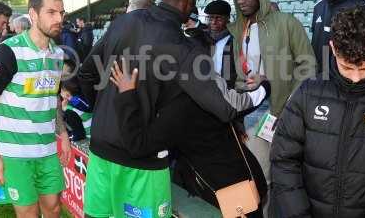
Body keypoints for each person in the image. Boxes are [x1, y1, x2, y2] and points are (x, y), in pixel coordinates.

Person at [78, 0, 271, 218]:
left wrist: (107, 114)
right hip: (143, 164)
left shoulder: (122, 23)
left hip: (101, 154)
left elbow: (86, 74)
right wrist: (263, 90)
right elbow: (226, 107)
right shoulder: (184, 48)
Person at [109, 58, 269, 218]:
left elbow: (137, 145)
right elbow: (245, 102)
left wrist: (126, 95)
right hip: (247, 179)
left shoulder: (175, 113)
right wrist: (265, 85)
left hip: (225, 197)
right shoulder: (205, 90)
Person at [271, 6, 365, 218]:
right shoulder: (308, 92)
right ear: (333, 48)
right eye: (347, 67)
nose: (356, 78)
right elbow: (284, 161)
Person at [228, 0, 316, 216]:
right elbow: (238, 75)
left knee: (274, 178)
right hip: (248, 111)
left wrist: (290, 104)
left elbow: (308, 66)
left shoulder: (287, 23)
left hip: (279, 110)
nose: (242, 0)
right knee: (253, 178)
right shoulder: (239, 30)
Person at [0, 0, 71, 218]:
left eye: (61, 13)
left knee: (53, 209)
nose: (59, 19)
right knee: (28, 214)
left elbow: (52, 97)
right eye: (51, 12)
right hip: (15, 153)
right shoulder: (8, 52)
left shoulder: (57, 54)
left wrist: (62, 133)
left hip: (46, 150)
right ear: (33, 15)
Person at [205, 0, 236, 88]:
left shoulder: (234, 39)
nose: (213, 22)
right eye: (210, 18)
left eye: (218, 18)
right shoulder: (203, 38)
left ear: (228, 18)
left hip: (228, 89)